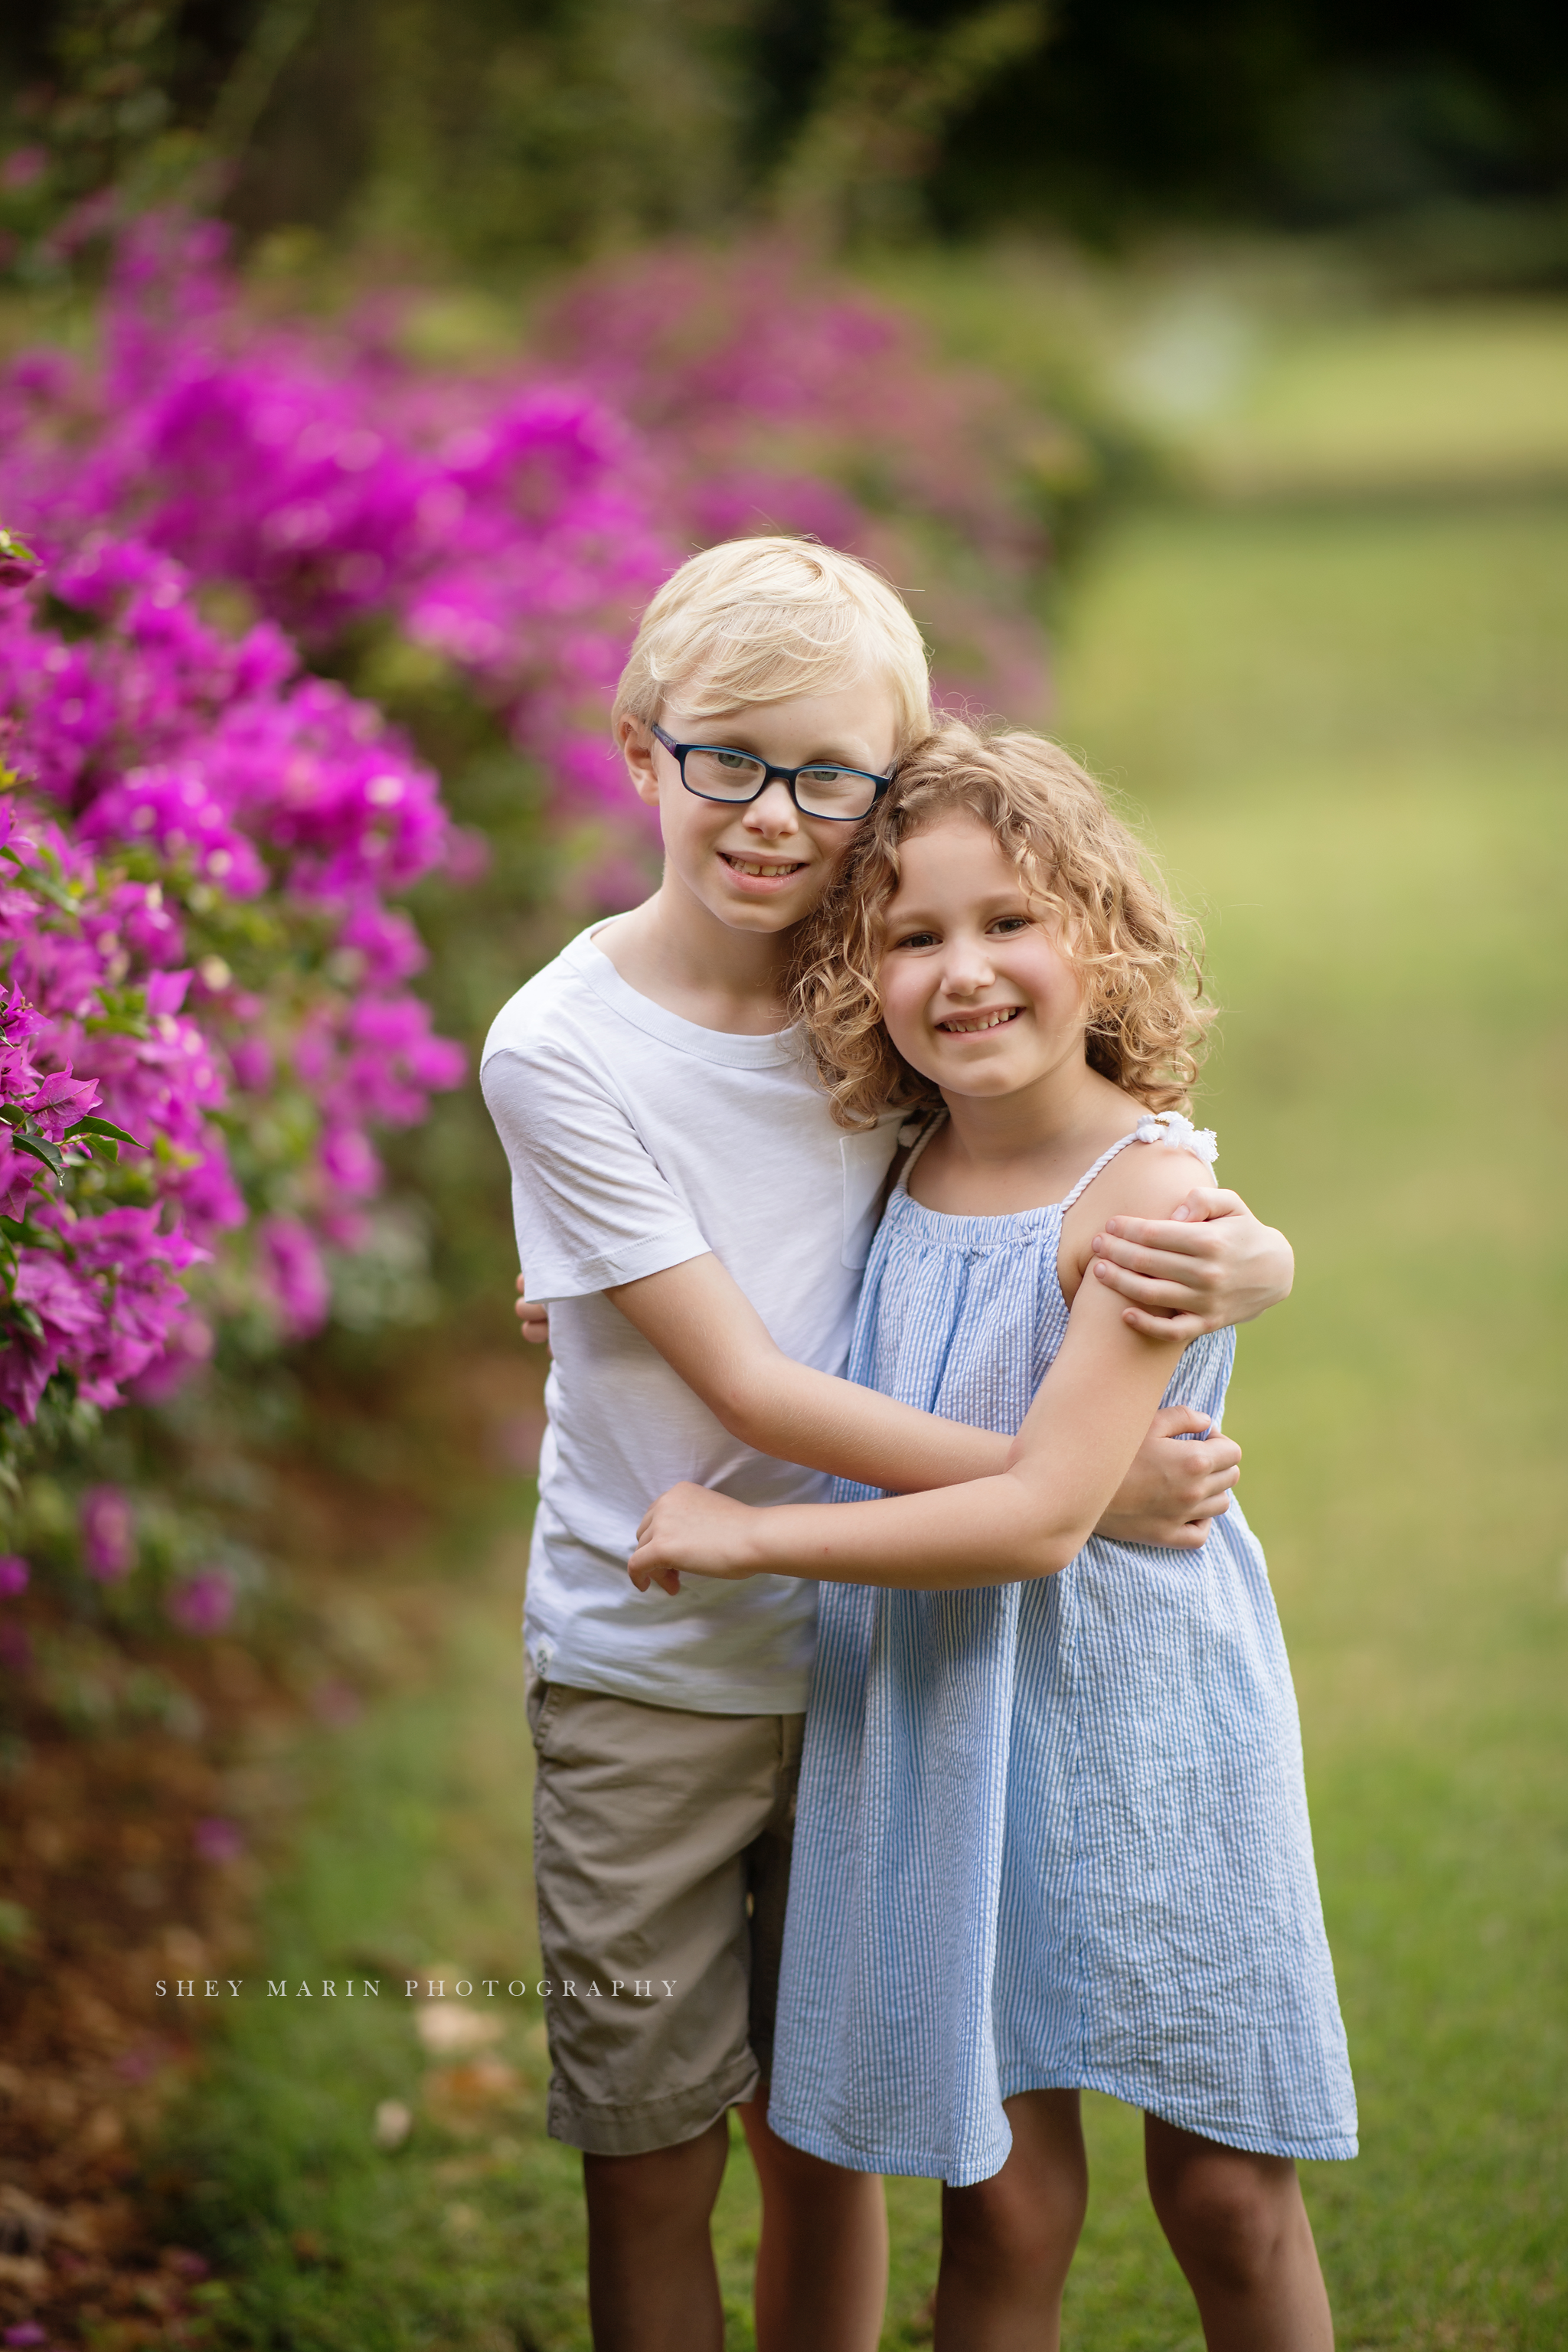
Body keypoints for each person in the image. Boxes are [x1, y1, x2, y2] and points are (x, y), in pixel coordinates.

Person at [483, 538, 1298, 2352]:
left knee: (829, 2141)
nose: (776, 815)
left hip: (897, 1680)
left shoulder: (877, 1018)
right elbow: (761, 1388)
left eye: (828, 774)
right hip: (660, 1659)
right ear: (639, 748)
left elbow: (1099, 1160)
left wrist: (1252, 1253)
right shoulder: (568, 1044)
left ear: (887, 782)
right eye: (728, 760)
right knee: (651, 2151)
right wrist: (1071, 1498)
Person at [629, 722, 1356, 2352]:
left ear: (1096, 934)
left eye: (1007, 920)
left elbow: (1038, 1521)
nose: (964, 972)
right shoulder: (898, 1159)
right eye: (912, 935)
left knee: (1226, 2196)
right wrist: (591, 1300)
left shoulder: (1145, 1200)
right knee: (1004, 2206)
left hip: (1149, 1734)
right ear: (859, 973)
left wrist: (753, 1544)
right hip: (951, 1730)